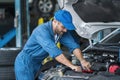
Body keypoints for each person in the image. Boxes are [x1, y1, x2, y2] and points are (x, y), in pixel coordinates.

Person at [14, 9, 91, 80]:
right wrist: (72, 66)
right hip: (25, 63)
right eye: (63, 27)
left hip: (37, 63)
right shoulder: (42, 31)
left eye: (67, 27)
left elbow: (73, 46)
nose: (65, 30)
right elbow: (56, 53)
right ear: (55, 22)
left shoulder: (60, 32)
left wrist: (82, 61)